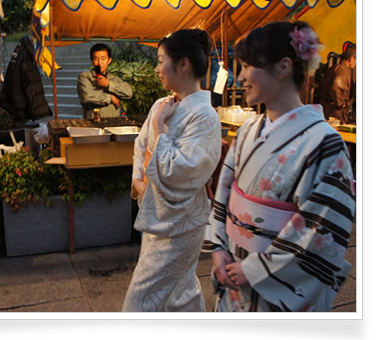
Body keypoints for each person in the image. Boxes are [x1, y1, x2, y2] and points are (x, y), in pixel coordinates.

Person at [203, 21, 355, 312]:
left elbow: (321, 224)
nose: (241, 78)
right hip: (233, 267)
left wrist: (257, 269)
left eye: (248, 67)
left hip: (273, 281)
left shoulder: (325, 142)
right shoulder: (247, 129)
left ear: (284, 67)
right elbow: (224, 192)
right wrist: (219, 248)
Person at [122, 29, 221, 312]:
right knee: (180, 293)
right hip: (157, 214)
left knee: (140, 302)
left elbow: (182, 170)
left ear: (183, 64)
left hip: (181, 222)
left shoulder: (205, 116)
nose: (156, 68)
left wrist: (158, 130)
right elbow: (141, 147)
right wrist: (139, 182)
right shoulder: (161, 105)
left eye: (161, 60)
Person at [77, 43, 133, 119]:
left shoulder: (114, 78)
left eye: (103, 59)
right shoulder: (85, 77)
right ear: (92, 60)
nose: (99, 63)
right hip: (93, 124)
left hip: (114, 123)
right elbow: (87, 97)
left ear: (109, 60)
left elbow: (129, 93)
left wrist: (108, 84)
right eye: (96, 59)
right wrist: (111, 98)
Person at [318, 45, 356, 124]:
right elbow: (336, 87)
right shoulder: (343, 70)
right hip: (335, 112)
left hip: (326, 109)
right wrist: (341, 104)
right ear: (351, 59)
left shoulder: (333, 68)